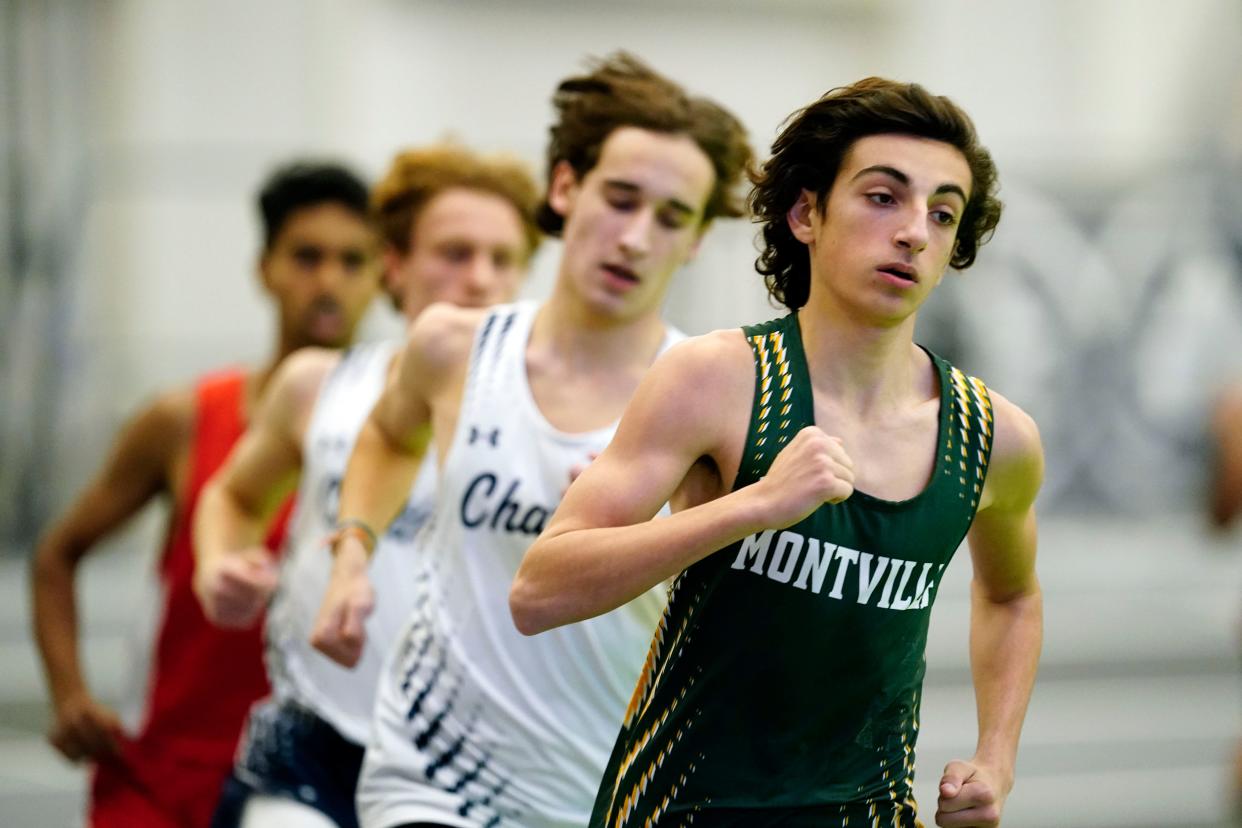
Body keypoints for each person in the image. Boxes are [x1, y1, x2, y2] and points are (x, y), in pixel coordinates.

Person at [512, 77, 1045, 828]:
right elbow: (539, 592)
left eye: (943, 212)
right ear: (806, 213)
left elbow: (1012, 595)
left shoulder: (994, 438)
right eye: (883, 197)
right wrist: (754, 505)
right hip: (682, 809)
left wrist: (997, 758)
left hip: (869, 812)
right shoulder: (716, 379)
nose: (914, 232)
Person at [309, 53, 753, 828]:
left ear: (693, 242)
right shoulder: (453, 346)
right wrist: (352, 554)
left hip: (602, 789)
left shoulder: (710, 403)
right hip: (431, 772)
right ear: (564, 189)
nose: (636, 238)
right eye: (620, 199)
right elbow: (386, 434)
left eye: (673, 217)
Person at [192, 144, 542, 828]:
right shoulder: (319, 385)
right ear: (395, 264)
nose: (479, 278)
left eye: (502, 259)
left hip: (474, 764)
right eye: (455, 253)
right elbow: (231, 496)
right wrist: (219, 563)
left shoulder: (558, 421)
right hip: (315, 746)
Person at [29, 161, 381, 828]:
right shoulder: (185, 418)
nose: (328, 280)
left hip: (313, 786)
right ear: (265, 268)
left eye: (351, 260)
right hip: (167, 776)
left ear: (381, 275)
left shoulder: (399, 436)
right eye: (307, 257)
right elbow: (57, 554)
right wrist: (70, 695)